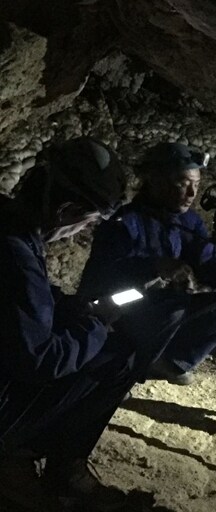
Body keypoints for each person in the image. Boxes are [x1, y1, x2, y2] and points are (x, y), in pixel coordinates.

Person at [0, 137, 133, 511]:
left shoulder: (10, 224)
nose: (80, 233)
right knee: (115, 358)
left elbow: (20, 303)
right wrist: (97, 327)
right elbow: (40, 360)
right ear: (68, 210)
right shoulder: (16, 253)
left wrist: (67, 305)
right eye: (85, 222)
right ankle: (22, 460)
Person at [79, 142, 216, 386]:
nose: (192, 194)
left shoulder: (188, 221)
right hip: (121, 311)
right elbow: (100, 278)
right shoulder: (124, 222)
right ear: (155, 180)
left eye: (196, 185)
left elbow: (205, 257)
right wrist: (155, 267)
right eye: (183, 183)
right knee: (172, 308)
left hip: (165, 307)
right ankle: (124, 370)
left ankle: (171, 362)